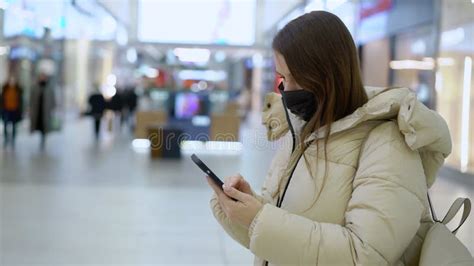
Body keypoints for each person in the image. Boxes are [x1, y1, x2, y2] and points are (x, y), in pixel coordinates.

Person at [207, 11, 452, 265]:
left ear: (324, 75)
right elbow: (278, 228)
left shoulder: (388, 145)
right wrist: (246, 207)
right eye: (282, 78)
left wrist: (259, 218)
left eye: (292, 78)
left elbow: (364, 255)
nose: (284, 90)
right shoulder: (302, 131)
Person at [30, 73, 56, 150]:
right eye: (41, 77)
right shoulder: (35, 87)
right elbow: (31, 99)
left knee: (44, 126)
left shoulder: (49, 87)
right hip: (37, 110)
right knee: (38, 124)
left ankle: (43, 140)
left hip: (46, 110)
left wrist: (52, 107)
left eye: (44, 77)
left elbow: (53, 99)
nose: (42, 78)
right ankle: (41, 137)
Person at [0, 75, 23, 148]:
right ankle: (6, 139)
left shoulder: (18, 90)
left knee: (14, 126)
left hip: (15, 110)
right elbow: (2, 100)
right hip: (6, 110)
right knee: (6, 125)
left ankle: (13, 140)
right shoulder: (5, 89)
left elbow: (20, 101)